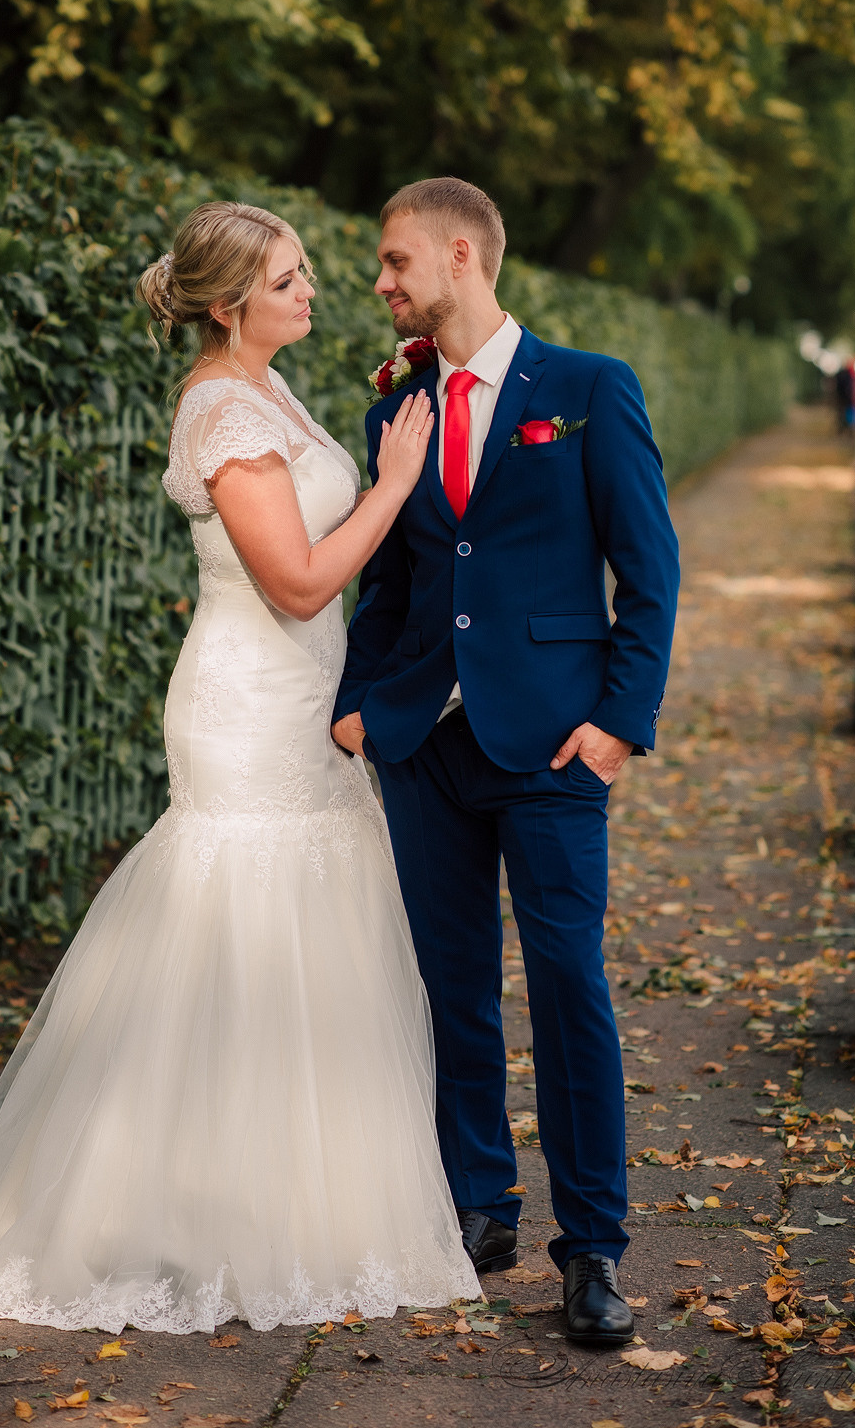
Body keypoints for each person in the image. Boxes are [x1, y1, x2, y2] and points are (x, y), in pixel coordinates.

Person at [0, 200, 479, 1334]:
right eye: (285, 280)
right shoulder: (219, 405)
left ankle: (281, 1201)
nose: (313, 290)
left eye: (308, 271)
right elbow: (299, 583)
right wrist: (397, 483)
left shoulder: (268, 387)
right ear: (227, 308)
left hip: (305, 698)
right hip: (245, 702)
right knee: (233, 922)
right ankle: (160, 1206)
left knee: (305, 936)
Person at [332, 177, 680, 1347]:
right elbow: (388, 583)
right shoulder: (397, 410)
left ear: (461, 253)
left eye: (393, 262)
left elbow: (648, 570)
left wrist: (618, 724)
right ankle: (475, 1207)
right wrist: (353, 707)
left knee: (569, 990)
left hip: (551, 745)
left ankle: (590, 1250)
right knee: (449, 986)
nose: (378, 283)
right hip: (423, 745)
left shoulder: (588, 389)